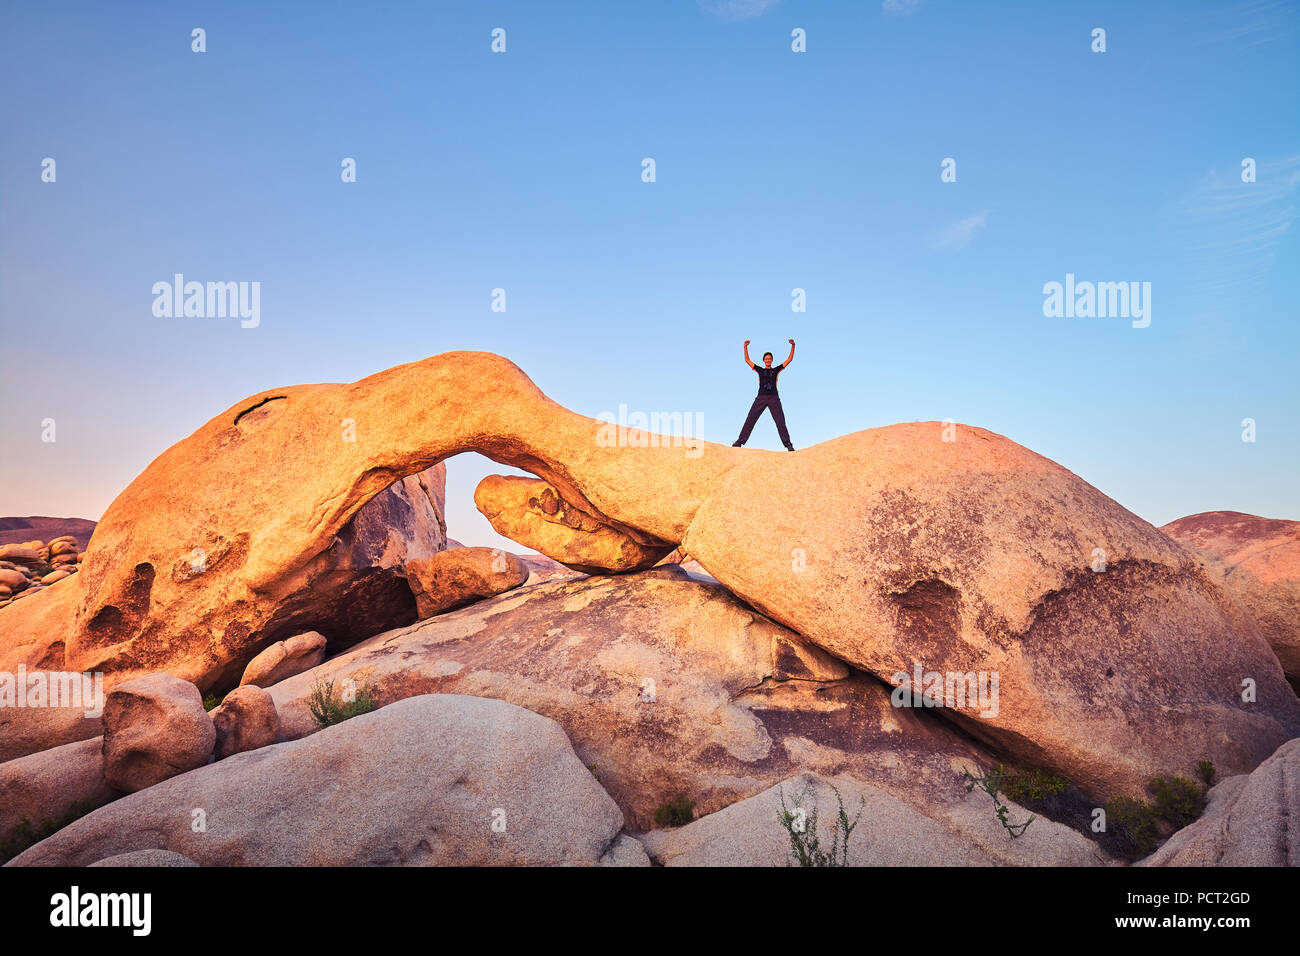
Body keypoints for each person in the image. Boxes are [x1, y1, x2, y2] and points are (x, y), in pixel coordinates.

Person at [732, 338, 795, 450]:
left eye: (769, 359)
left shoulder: (776, 370)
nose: (768, 360)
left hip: (774, 398)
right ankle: (739, 442)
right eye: (766, 359)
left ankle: (788, 445)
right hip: (761, 398)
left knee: (780, 421)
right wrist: (745, 347)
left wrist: (793, 346)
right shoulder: (759, 370)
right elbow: (747, 360)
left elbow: (789, 359)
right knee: (750, 419)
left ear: (772, 360)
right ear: (764, 361)